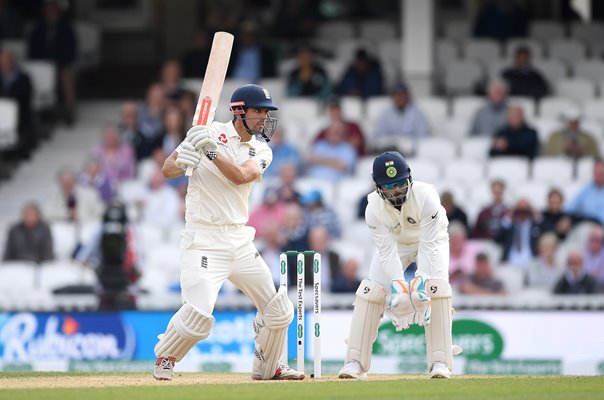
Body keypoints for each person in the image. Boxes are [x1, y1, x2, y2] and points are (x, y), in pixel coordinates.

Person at [153, 84, 303, 381]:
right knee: (197, 316)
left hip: (239, 239)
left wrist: (210, 153)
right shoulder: (206, 131)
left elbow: (242, 176)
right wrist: (185, 157)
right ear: (239, 111)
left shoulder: (261, 149)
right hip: (203, 239)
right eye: (258, 111)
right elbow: (167, 170)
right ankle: (165, 358)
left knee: (278, 310)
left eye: (266, 112)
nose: (263, 118)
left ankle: (269, 367)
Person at [338, 151, 457, 380]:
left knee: (436, 289)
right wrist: (399, 285)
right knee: (371, 291)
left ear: (409, 179)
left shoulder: (427, 197)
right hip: (397, 244)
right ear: (378, 187)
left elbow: (429, 245)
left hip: (432, 240)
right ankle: (355, 362)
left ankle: (440, 362)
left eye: (400, 184)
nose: (396, 191)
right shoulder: (372, 207)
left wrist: (420, 280)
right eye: (389, 186)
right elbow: (386, 250)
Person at [374, 83, 430, 153]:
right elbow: (380, 136)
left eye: (403, 94)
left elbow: (422, 136)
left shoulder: (417, 113)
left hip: (411, 152)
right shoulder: (386, 113)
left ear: (408, 96)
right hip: (390, 151)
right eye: (397, 94)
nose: (400, 97)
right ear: (393, 97)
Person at [0, 49, 34, 159]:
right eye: (3, 62)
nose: (6, 65)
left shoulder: (23, 78)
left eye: (8, 61)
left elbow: (25, 99)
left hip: (19, 115)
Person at [494, 198, 541, 271]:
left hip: (530, 259)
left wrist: (536, 215)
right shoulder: (510, 226)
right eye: (519, 212)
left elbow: (547, 233)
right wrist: (508, 217)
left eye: (525, 212)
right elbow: (496, 239)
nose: (522, 215)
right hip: (511, 260)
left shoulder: (535, 225)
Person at [565, 159, 604, 225]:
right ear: (593, 172)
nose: (599, 174)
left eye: (602, 172)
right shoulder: (586, 190)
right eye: (597, 172)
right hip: (590, 226)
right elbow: (570, 209)